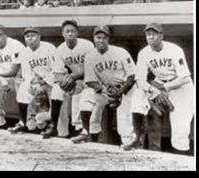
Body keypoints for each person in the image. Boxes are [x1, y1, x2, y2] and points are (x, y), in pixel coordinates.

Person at [71, 25, 136, 145]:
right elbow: (90, 80)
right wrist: (105, 91)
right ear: (94, 38)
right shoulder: (90, 55)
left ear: (108, 39)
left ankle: (128, 144)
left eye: (104, 37)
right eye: (98, 37)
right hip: (107, 89)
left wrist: (120, 92)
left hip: (126, 88)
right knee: (86, 96)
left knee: (124, 120)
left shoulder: (120, 52)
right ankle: (85, 132)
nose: (101, 40)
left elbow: (132, 76)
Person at [135, 22, 194, 153]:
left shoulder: (175, 49)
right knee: (149, 109)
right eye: (148, 34)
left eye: (154, 34)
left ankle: (181, 156)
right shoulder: (144, 53)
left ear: (161, 35)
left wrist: (165, 88)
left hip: (180, 86)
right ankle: (153, 151)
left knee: (181, 126)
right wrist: (154, 91)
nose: (150, 37)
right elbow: (140, 79)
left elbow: (184, 77)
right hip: (159, 85)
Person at [48, 19, 96, 139]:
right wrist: (63, 81)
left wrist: (73, 77)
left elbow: (93, 67)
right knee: (57, 90)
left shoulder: (87, 45)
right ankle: (55, 127)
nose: (70, 34)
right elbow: (57, 72)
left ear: (77, 33)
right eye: (67, 31)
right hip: (74, 79)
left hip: (90, 78)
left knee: (78, 94)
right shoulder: (60, 49)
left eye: (73, 31)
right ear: (62, 33)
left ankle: (79, 129)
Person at [9, 27, 55, 133]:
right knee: (23, 90)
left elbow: (56, 68)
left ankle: (52, 124)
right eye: (27, 36)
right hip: (36, 80)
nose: (30, 38)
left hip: (51, 78)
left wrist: (45, 81)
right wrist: (34, 83)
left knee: (54, 93)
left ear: (39, 37)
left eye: (33, 36)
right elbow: (27, 73)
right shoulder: (24, 52)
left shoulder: (49, 47)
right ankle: (24, 121)